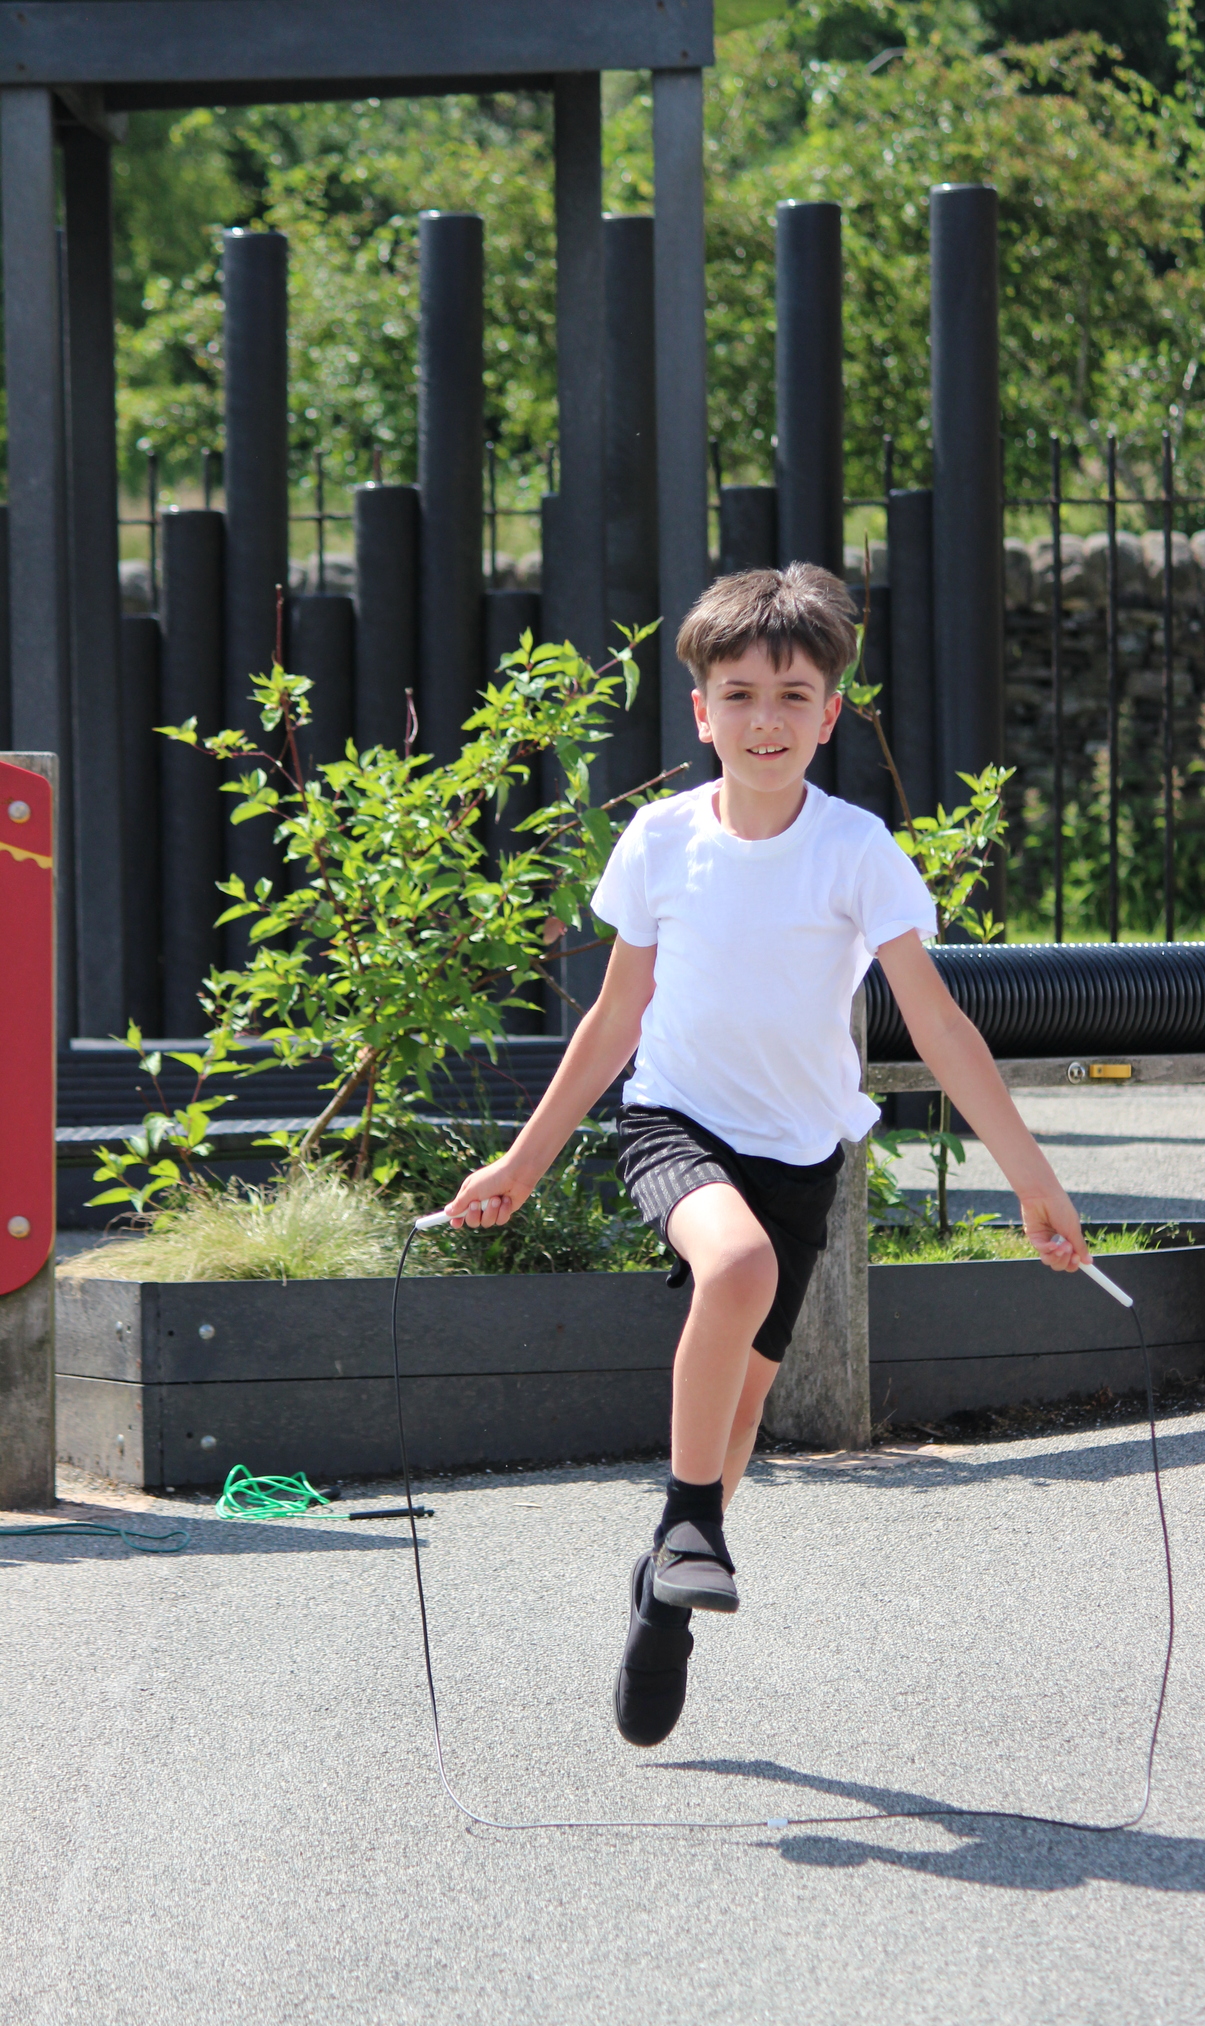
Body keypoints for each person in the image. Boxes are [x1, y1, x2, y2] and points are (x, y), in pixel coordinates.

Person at [440, 563, 1091, 1747]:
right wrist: (523, 1163)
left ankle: (664, 1590)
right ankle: (691, 1524)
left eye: (794, 694)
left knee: (739, 1417)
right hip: (675, 1122)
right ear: (700, 712)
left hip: (802, 1156)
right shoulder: (659, 840)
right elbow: (614, 1015)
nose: (766, 718)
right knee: (731, 1271)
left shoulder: (856, 851)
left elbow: (939, 1023)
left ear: (831, 711)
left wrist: (1031, 1174)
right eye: (738, 694)